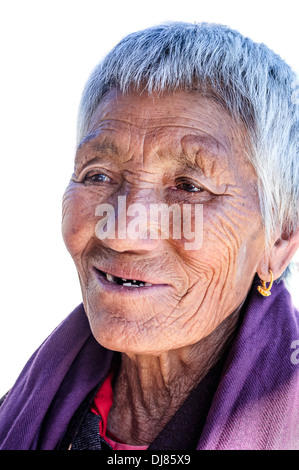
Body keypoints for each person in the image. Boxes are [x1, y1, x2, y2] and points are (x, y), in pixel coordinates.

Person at [0, 21, 298, 450]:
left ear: (278, 241)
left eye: (189, 187)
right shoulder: (25, 415)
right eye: (98, 175)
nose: (122, 232)